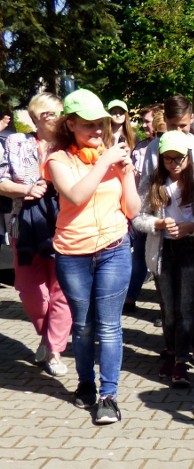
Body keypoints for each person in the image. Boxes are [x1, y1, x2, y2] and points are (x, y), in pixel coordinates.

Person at [46, 88, 141, 424]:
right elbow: (74, 195)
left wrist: (127, 172)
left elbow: (133, 209)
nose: (98, 131)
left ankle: (109, 396)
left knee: (109, 326)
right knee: (84, 327)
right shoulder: (58, 159)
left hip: (114, 248)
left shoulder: (112, 158)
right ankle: (86, 383)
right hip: (73, 253)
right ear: (70, 124)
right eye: (88, 125)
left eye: (100, 124)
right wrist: (105, 162)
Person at [132, 131, 194, 387]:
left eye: (179, 159)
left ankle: (181, 359)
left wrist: (190, 227)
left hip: (191, 249)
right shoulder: (152, 183)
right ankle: (170, 351)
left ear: (188, 158)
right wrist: (157, 223)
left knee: (186, 307)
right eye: (168, 159)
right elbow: (138, 217)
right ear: (161, 159)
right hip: (163, 251)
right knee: (168, 308)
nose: (174, 164)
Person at [0, 93, 72, 377]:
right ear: (36, 118)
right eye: (51, 114)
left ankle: (54, 350)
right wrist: (25, 190)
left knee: (62, 291)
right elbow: (1, 181)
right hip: (25, 225)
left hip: (65, 226)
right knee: (30, 291)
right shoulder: (16, 142)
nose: (58, 119)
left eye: (60, 113)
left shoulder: (70, 145)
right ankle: (47, 335)